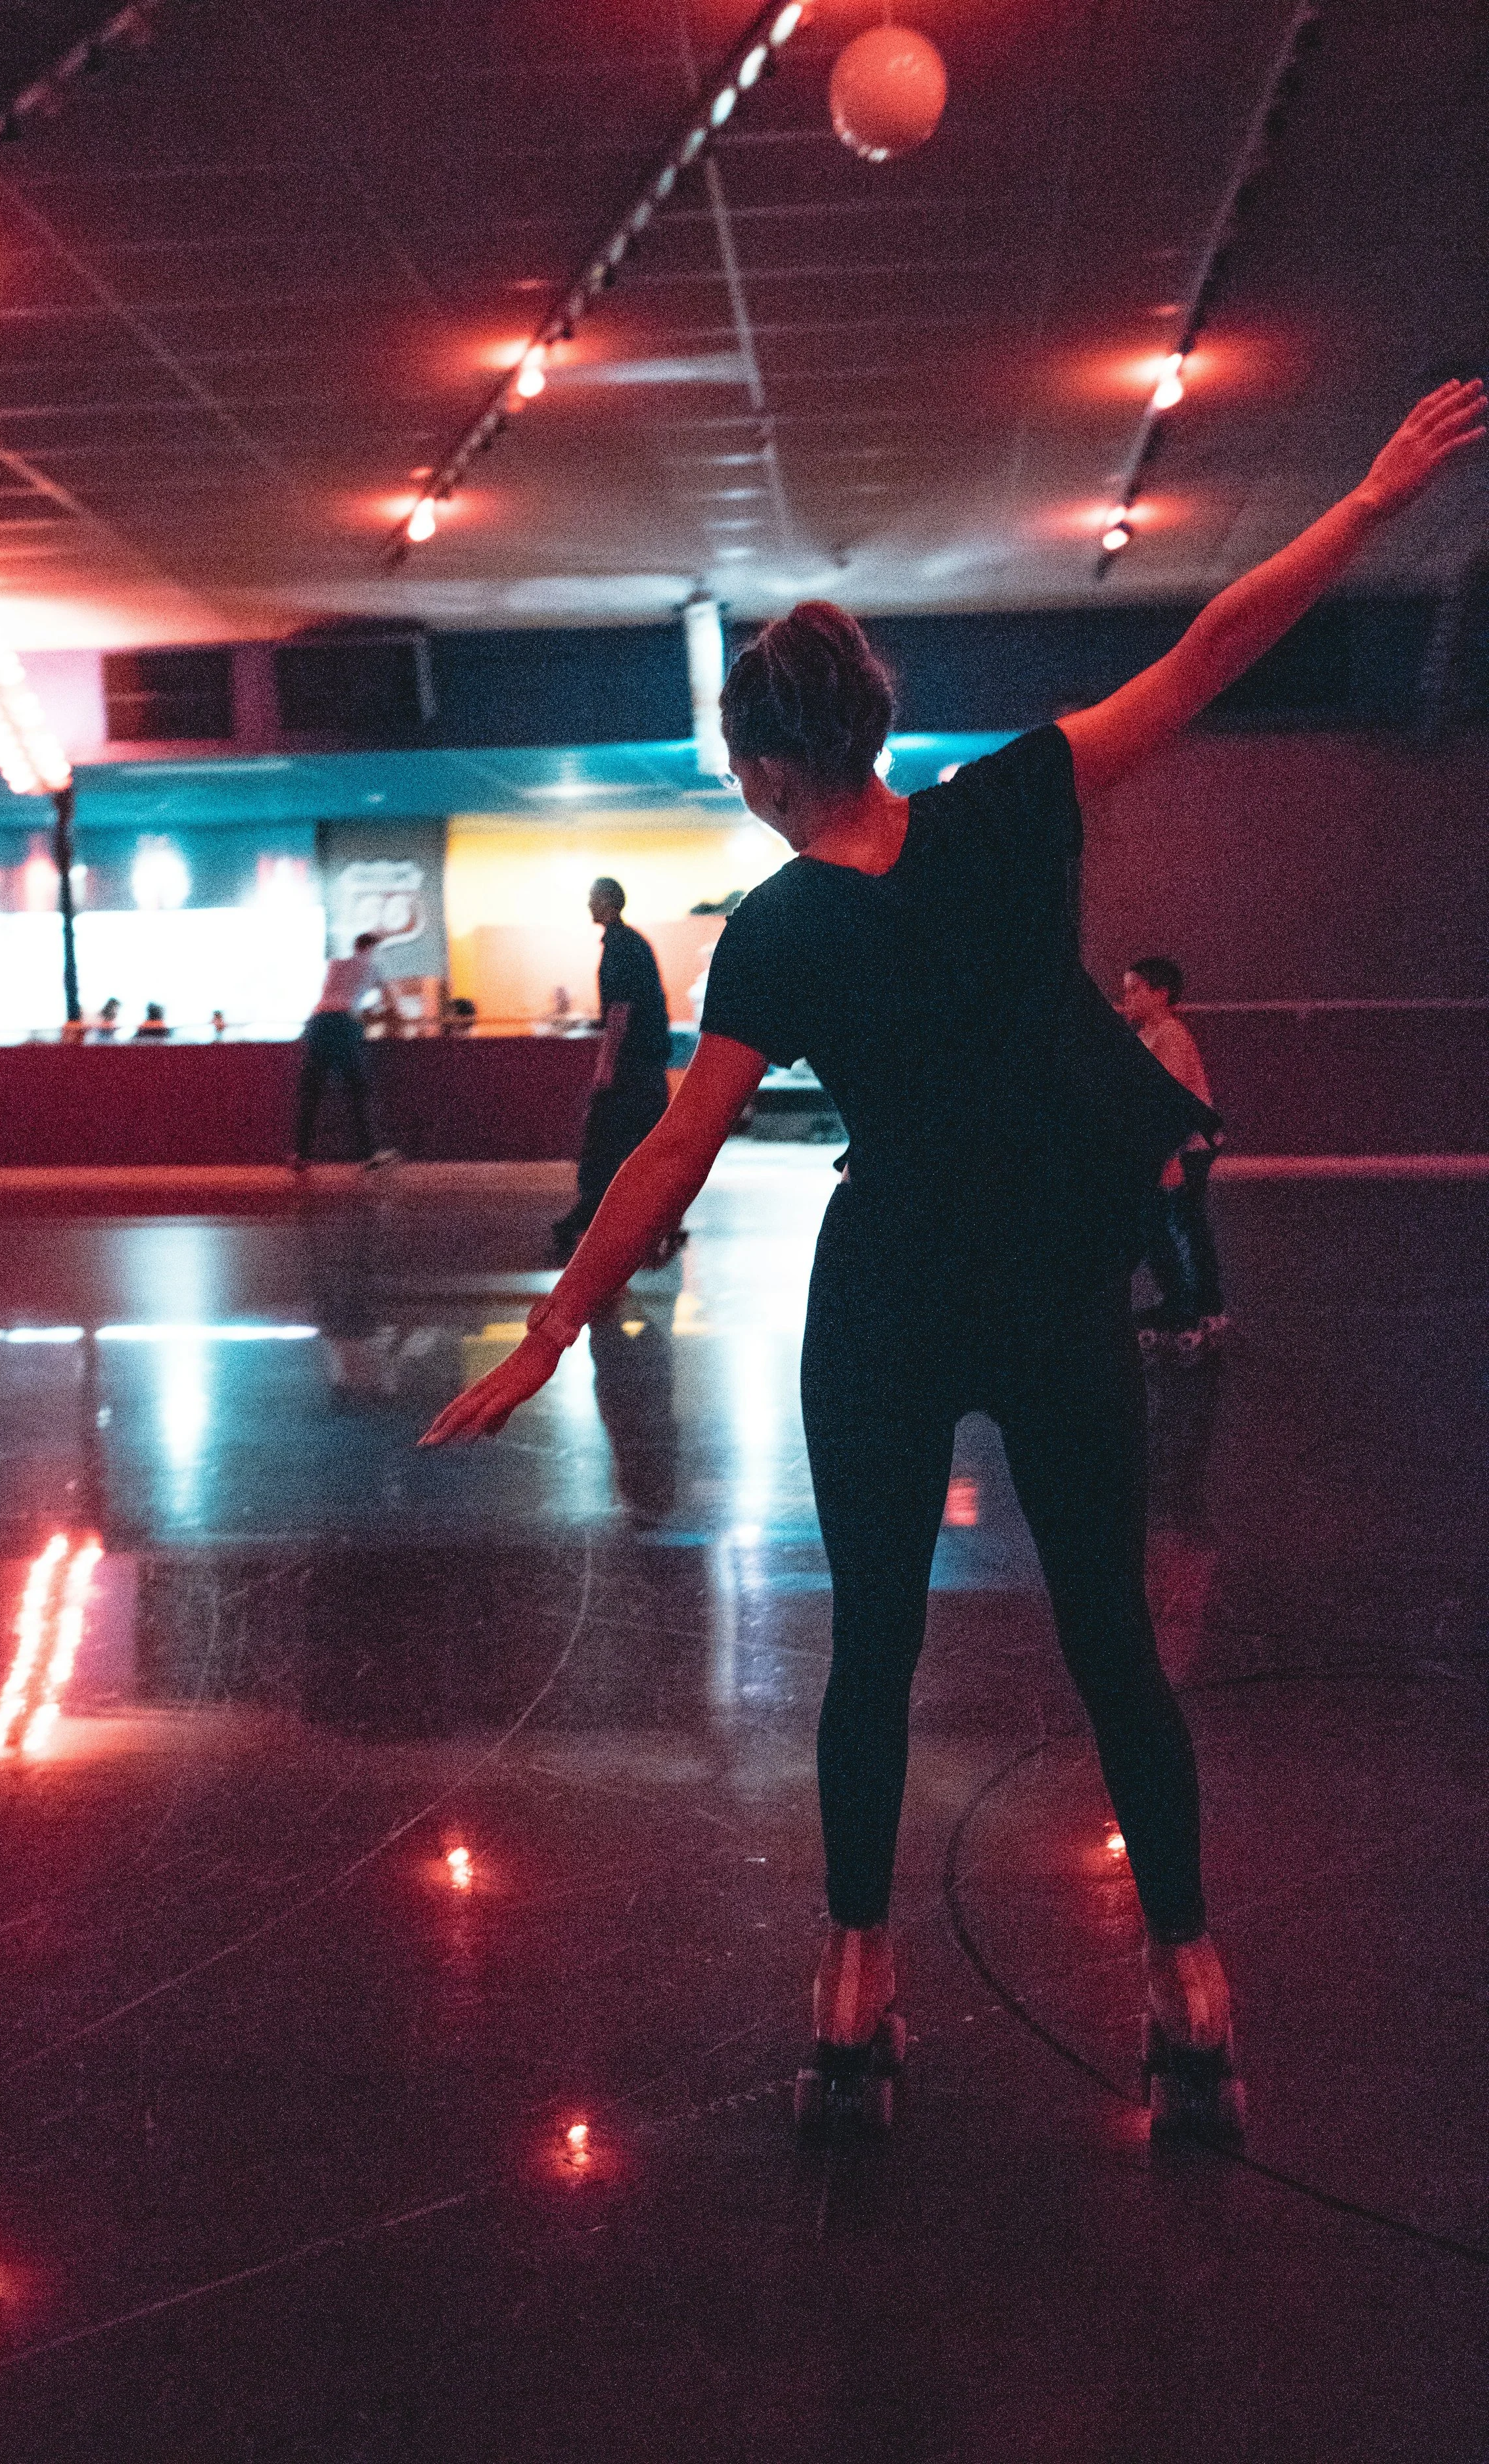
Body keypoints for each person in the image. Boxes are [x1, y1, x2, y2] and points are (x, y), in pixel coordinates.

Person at [421, 380, 1484, 2145]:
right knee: (1115, 1655)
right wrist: (1366, 501)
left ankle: (852, 1979)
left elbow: (675, 1152)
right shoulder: (1012, 807)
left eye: (741, 769)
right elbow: (1214, 646)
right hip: (1055, 1281)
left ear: (767, 765)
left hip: (888, 1295)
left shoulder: (771, 926)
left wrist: (553, 1326)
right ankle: (1188, 1974)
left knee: (873, 1653)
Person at [549, 878, 678, 1266]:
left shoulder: (619, 948)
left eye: (592, 899)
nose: (588, 905)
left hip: (632, 1065)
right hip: (647, 1060)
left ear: (607, 902)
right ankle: (661, 1224)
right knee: (646, 1146)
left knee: (602, 1147)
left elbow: (621, 1012)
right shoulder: (632, 943)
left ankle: (582, 1224)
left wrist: (605, 1069)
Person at [1121, 957, 1227, 1358]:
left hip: (1187, 1145)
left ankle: (1190, 1309)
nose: (1126, 998)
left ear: (1160, 994)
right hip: (1174, 1144)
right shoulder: (1147, 1033)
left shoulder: (1171, 1035)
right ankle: (1198, 1306)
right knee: (1181, 1224)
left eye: (1135, 989)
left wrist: (1171, 1158)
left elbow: (1171, 1103)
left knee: (1176, 1225)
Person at [290, 931, 401, 1171]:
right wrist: (371, 1014)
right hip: (344, 1024)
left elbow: (334, 995)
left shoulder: (336, 964)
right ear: (373, 947)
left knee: (311, 1092)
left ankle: (300, 1154)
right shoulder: (374, 964)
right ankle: (369, 1154)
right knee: (357, 1090)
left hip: (318, 1023)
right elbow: (392, 1004)